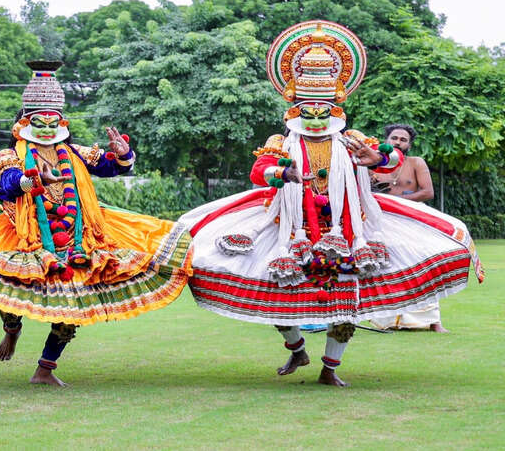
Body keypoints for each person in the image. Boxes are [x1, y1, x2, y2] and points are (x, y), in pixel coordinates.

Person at [174, 22, 483, 386]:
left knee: (346, 303)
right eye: (309, 109)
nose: (317, 117)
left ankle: (329, 370)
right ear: (295, 106)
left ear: (336, 104)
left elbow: (390, 161)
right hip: (288, 231)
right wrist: (283, 174)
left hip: (348, 231)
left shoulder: (351, 139)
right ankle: (298, 349)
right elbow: (259, 171)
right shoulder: (282, 141)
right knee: (278, 296)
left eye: (324, 109)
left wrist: (373, 158)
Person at [0, 61, 191, 386]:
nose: (45, 129)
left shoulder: (74, 152)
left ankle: (45, 369)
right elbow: (9, 181)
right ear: (26, 123)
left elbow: (112, 167)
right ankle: (12, 330)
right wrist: (33, 179)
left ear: (61, 123)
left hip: (76, 236)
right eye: (39, 122)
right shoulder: (11, 153)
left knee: (72, 306)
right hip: (23, 232)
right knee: (9, 289)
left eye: (52, 122)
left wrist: (124, 154)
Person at [369, 124, 447, 332]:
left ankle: (434, 321)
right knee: (385, 265)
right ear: (386, 141)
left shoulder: (415, 163)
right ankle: (385, 320)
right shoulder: (373, 164)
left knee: (422, 263)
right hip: (382, 221)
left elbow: (427, 192)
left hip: (412, 219)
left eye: (403, 140)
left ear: (409, 144)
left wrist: (399, 201)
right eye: (394, 138)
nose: (398, 142)